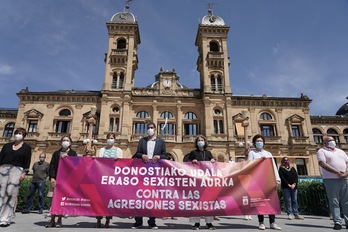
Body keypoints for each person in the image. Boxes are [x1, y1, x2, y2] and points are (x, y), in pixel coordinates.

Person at [132, 122, 166, 229]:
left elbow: (165, 154)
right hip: (143, 172)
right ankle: (138, 221)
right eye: (148, 128)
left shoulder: (161, 141)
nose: (150, 129)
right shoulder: (142, 141)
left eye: (151, 128)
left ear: (155, 129)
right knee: (140, 196)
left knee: (153, 198)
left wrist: (159, 156)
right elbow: (137, 154)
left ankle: (152, 222)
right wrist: (142, 155)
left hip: (155, 173)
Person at [247, 134, 281, 230]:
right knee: (260, 202)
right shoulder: (252, 153)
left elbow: (273, 167)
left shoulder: (268, 153)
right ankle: (261, 222)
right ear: (254, 143)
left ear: (263, 142)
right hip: (257, 180)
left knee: (271, 201)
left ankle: (272, 222)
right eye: (257, 141)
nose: (259, 142)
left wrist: (277, 179)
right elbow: (249, 166)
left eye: (261, 141)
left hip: (268, 180)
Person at [0, 127, 32, 227]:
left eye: (21, 133)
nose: (18, 134)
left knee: (10, 194)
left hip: (17, 170)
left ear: (24, 136)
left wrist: (24, 173)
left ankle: (5, 218)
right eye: (17, 132)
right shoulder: (7, 146)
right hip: (3, 169)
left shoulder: (26, 147)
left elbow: (27, 161)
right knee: (1, 193)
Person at [45, 136, 77, 228]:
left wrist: (68, 158)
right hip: (56, 179)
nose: (65, 142)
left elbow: (76, 166)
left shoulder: (73, 153)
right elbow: (52, 166)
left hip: (67, 180)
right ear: (61, 142)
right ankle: (52, 219)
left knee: (62, 201)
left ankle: (59, 219)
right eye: (64, 140)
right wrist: (52, 178)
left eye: (67, 140)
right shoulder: (56, 153)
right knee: (54, 200)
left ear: (70, 142)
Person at [317, 136, 348, 230]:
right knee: (334, 201)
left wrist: (346, 173)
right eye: (330, 140)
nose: (333, 141)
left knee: (346, 201)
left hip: (345, 179)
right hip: (331, 179)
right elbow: (322, 163)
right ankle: (337, 222)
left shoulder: (341, 151)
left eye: (333, 140)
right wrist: (337, 172)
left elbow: (347, 163)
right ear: (325, 142)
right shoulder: (321, 151)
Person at [95, 132, 123, 228]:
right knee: (99, 200)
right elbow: (98, 161)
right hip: (102, 177)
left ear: (114, 139)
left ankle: (107, 220)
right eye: (109, 138)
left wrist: (118, 160)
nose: (110, 139)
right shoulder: (102, 150)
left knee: (109, 200)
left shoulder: (119, 150)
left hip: (112, 178)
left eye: (112, 138)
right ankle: (98, 219)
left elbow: (122, 164)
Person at [188, 135, 216, 230]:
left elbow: (214, 166)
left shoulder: (208, 153)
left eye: (202, 140)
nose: (200, 141)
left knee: (208, 202)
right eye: (199, 140)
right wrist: (192, 161)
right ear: (196, 142)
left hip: (207, 181)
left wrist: (213, 161)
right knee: (196, 202)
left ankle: (209, 223)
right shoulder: (193, 152)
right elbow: (187, 164)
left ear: (205, 142)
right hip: (196, 181)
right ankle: (196, 223)